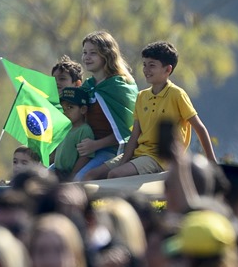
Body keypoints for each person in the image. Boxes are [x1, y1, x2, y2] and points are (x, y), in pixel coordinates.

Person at [87, 41, 218, 180]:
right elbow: (135, 135)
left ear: (167, 70)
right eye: (144, 65)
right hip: (139, 154)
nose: (146, 70)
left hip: (160, 158)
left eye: (152, 65)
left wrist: (212, 162)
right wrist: (124, 161)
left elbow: (200, 128)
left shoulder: (177, 94)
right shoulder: (142, 96)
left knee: (115, 175)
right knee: (92, 175)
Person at [76, 31, 138, 180]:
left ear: (107, 55)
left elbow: (127, 133)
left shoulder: (119, 86)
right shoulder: (88, 86)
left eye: (93, 53)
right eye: (85, 52)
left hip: (112, 151)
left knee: (80, 180)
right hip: (88, 150)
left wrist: (96, 145)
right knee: (52, 176)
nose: (87, 57)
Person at [53, 87, 95, 181]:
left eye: (70, 107)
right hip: (57, 171)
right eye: (62, 108)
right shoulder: (63, 128)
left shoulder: (84, 130)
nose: (65, 111)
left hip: (69, 173)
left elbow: (85, 156)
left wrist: (73, 174)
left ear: (83, 109)